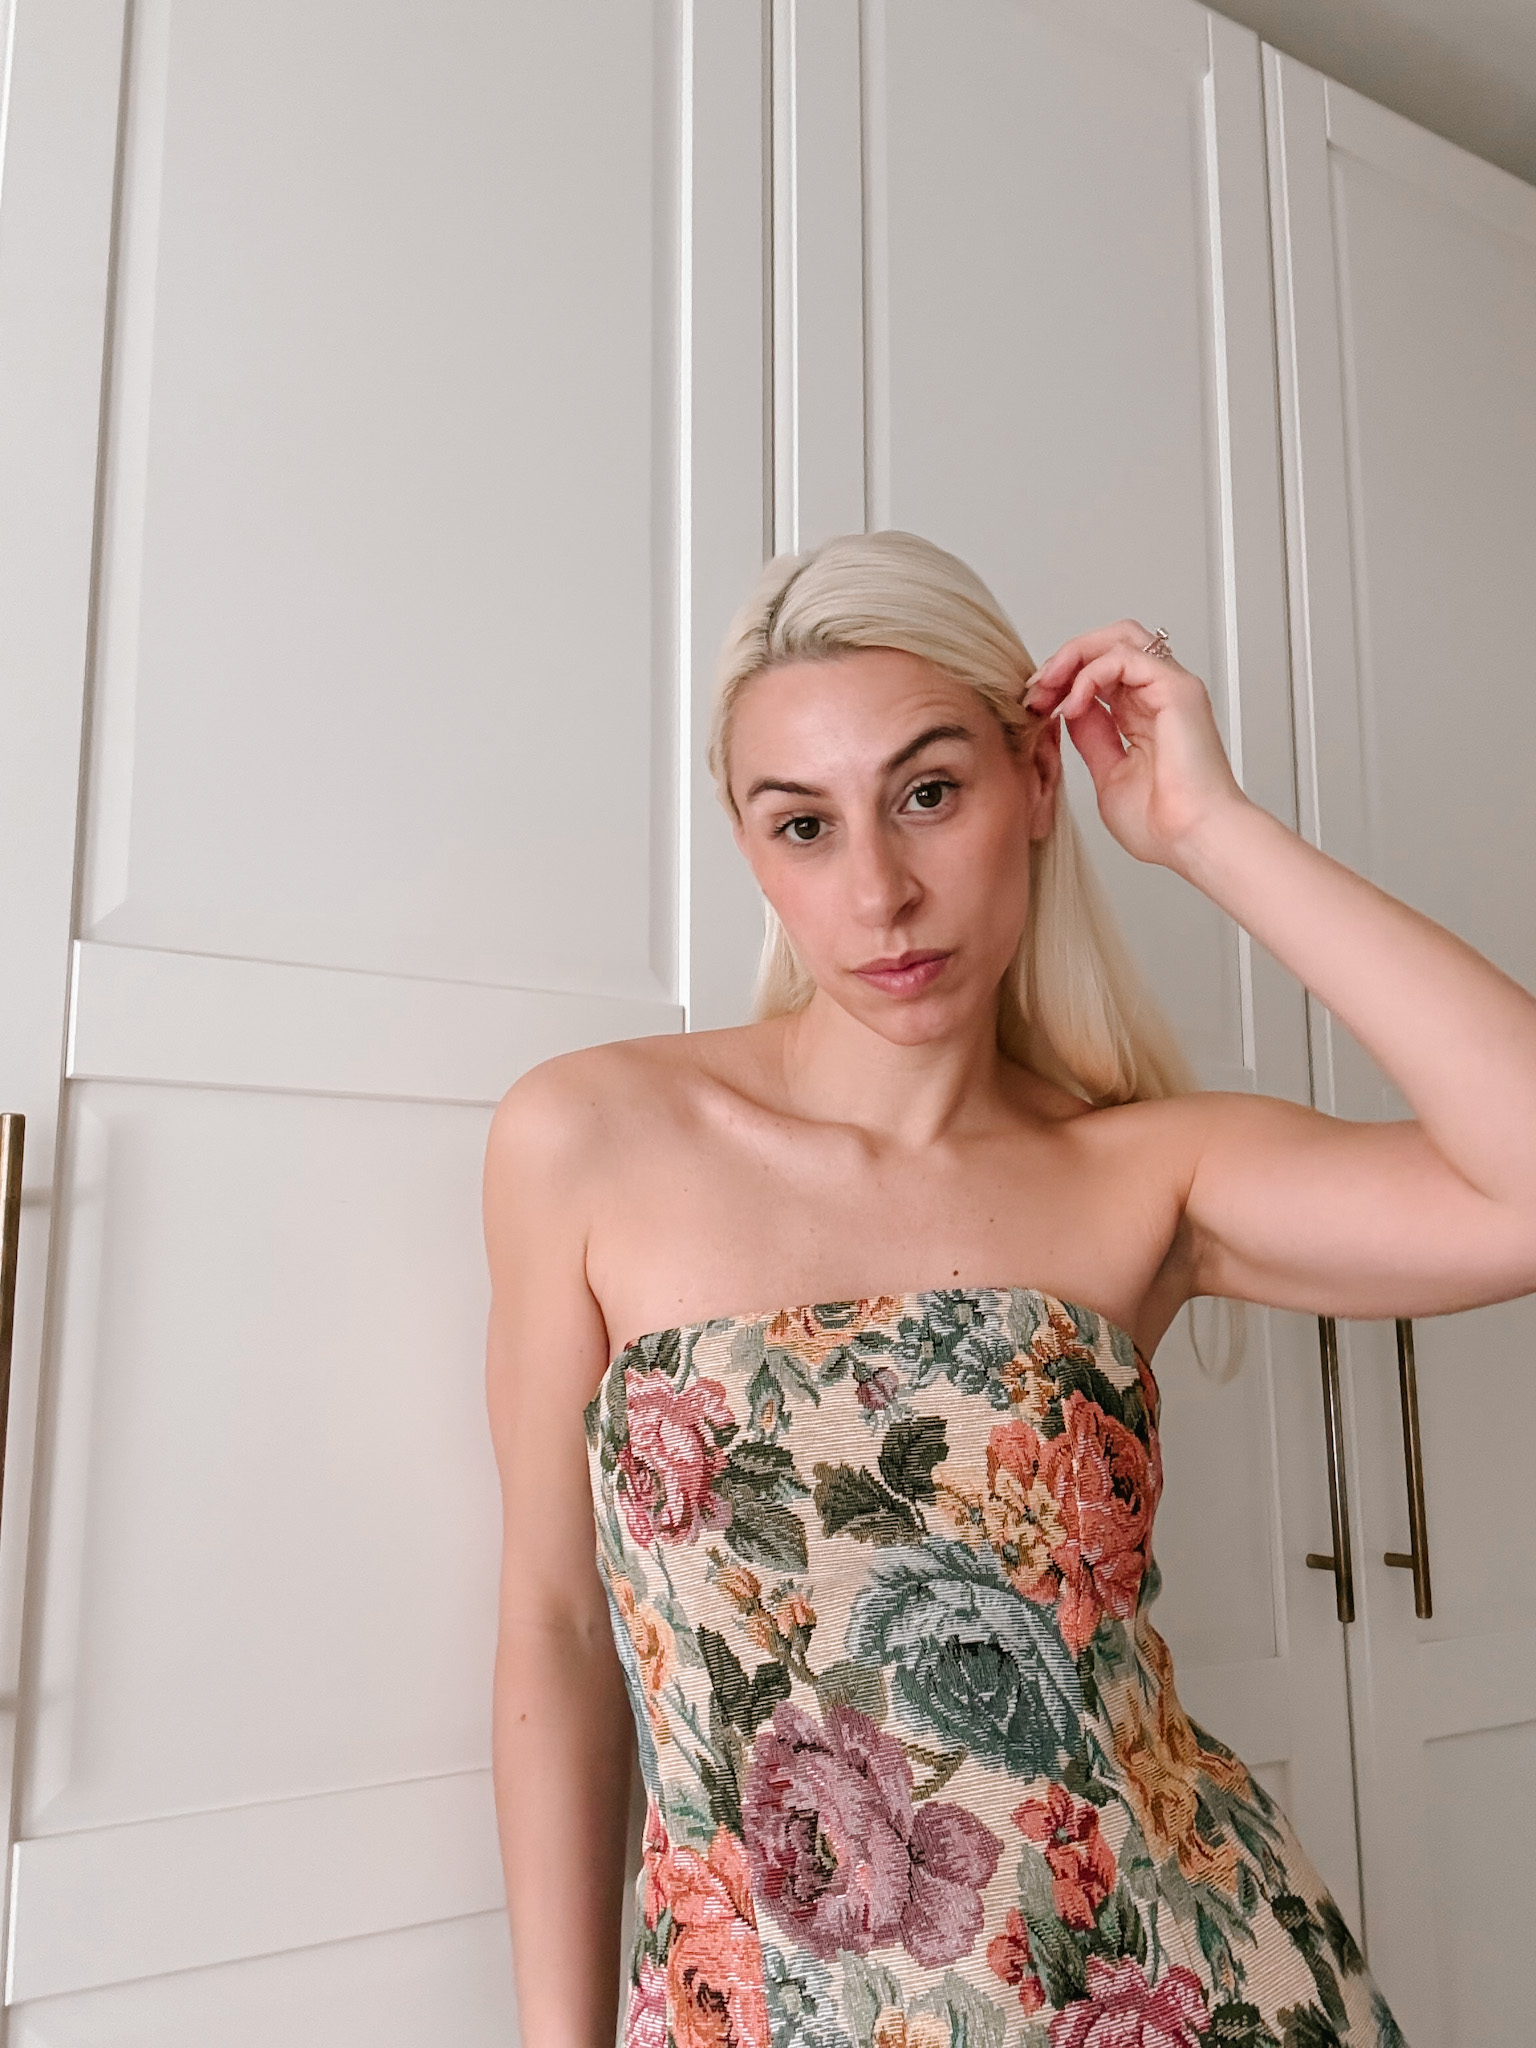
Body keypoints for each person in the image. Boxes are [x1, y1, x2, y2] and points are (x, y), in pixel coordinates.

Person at [484, 531, 1535, 2048]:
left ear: (1036, 781)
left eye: (929, 793)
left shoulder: (1143, 1173)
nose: (880, 890)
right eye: (803, 825)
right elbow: (555, 1628)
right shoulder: (588, 1137)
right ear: (750, 847)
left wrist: (1209, 828)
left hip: (1172, 1992)